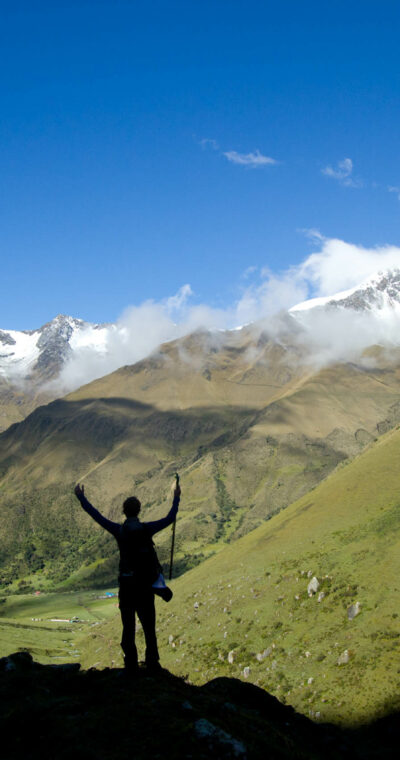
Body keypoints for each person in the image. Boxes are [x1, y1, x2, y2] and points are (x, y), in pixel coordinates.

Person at [74, 479, 180, 674]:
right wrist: (176, 496)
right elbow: (170, 517)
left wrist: (81, 498)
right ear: (139, 510)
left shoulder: (119, 531)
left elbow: (96, 516)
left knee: (128, 627)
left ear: (124, 511)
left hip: (127, 586)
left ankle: (130, 663)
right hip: (146, 587)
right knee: (149, 626)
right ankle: (152, 662)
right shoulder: (147, 529)